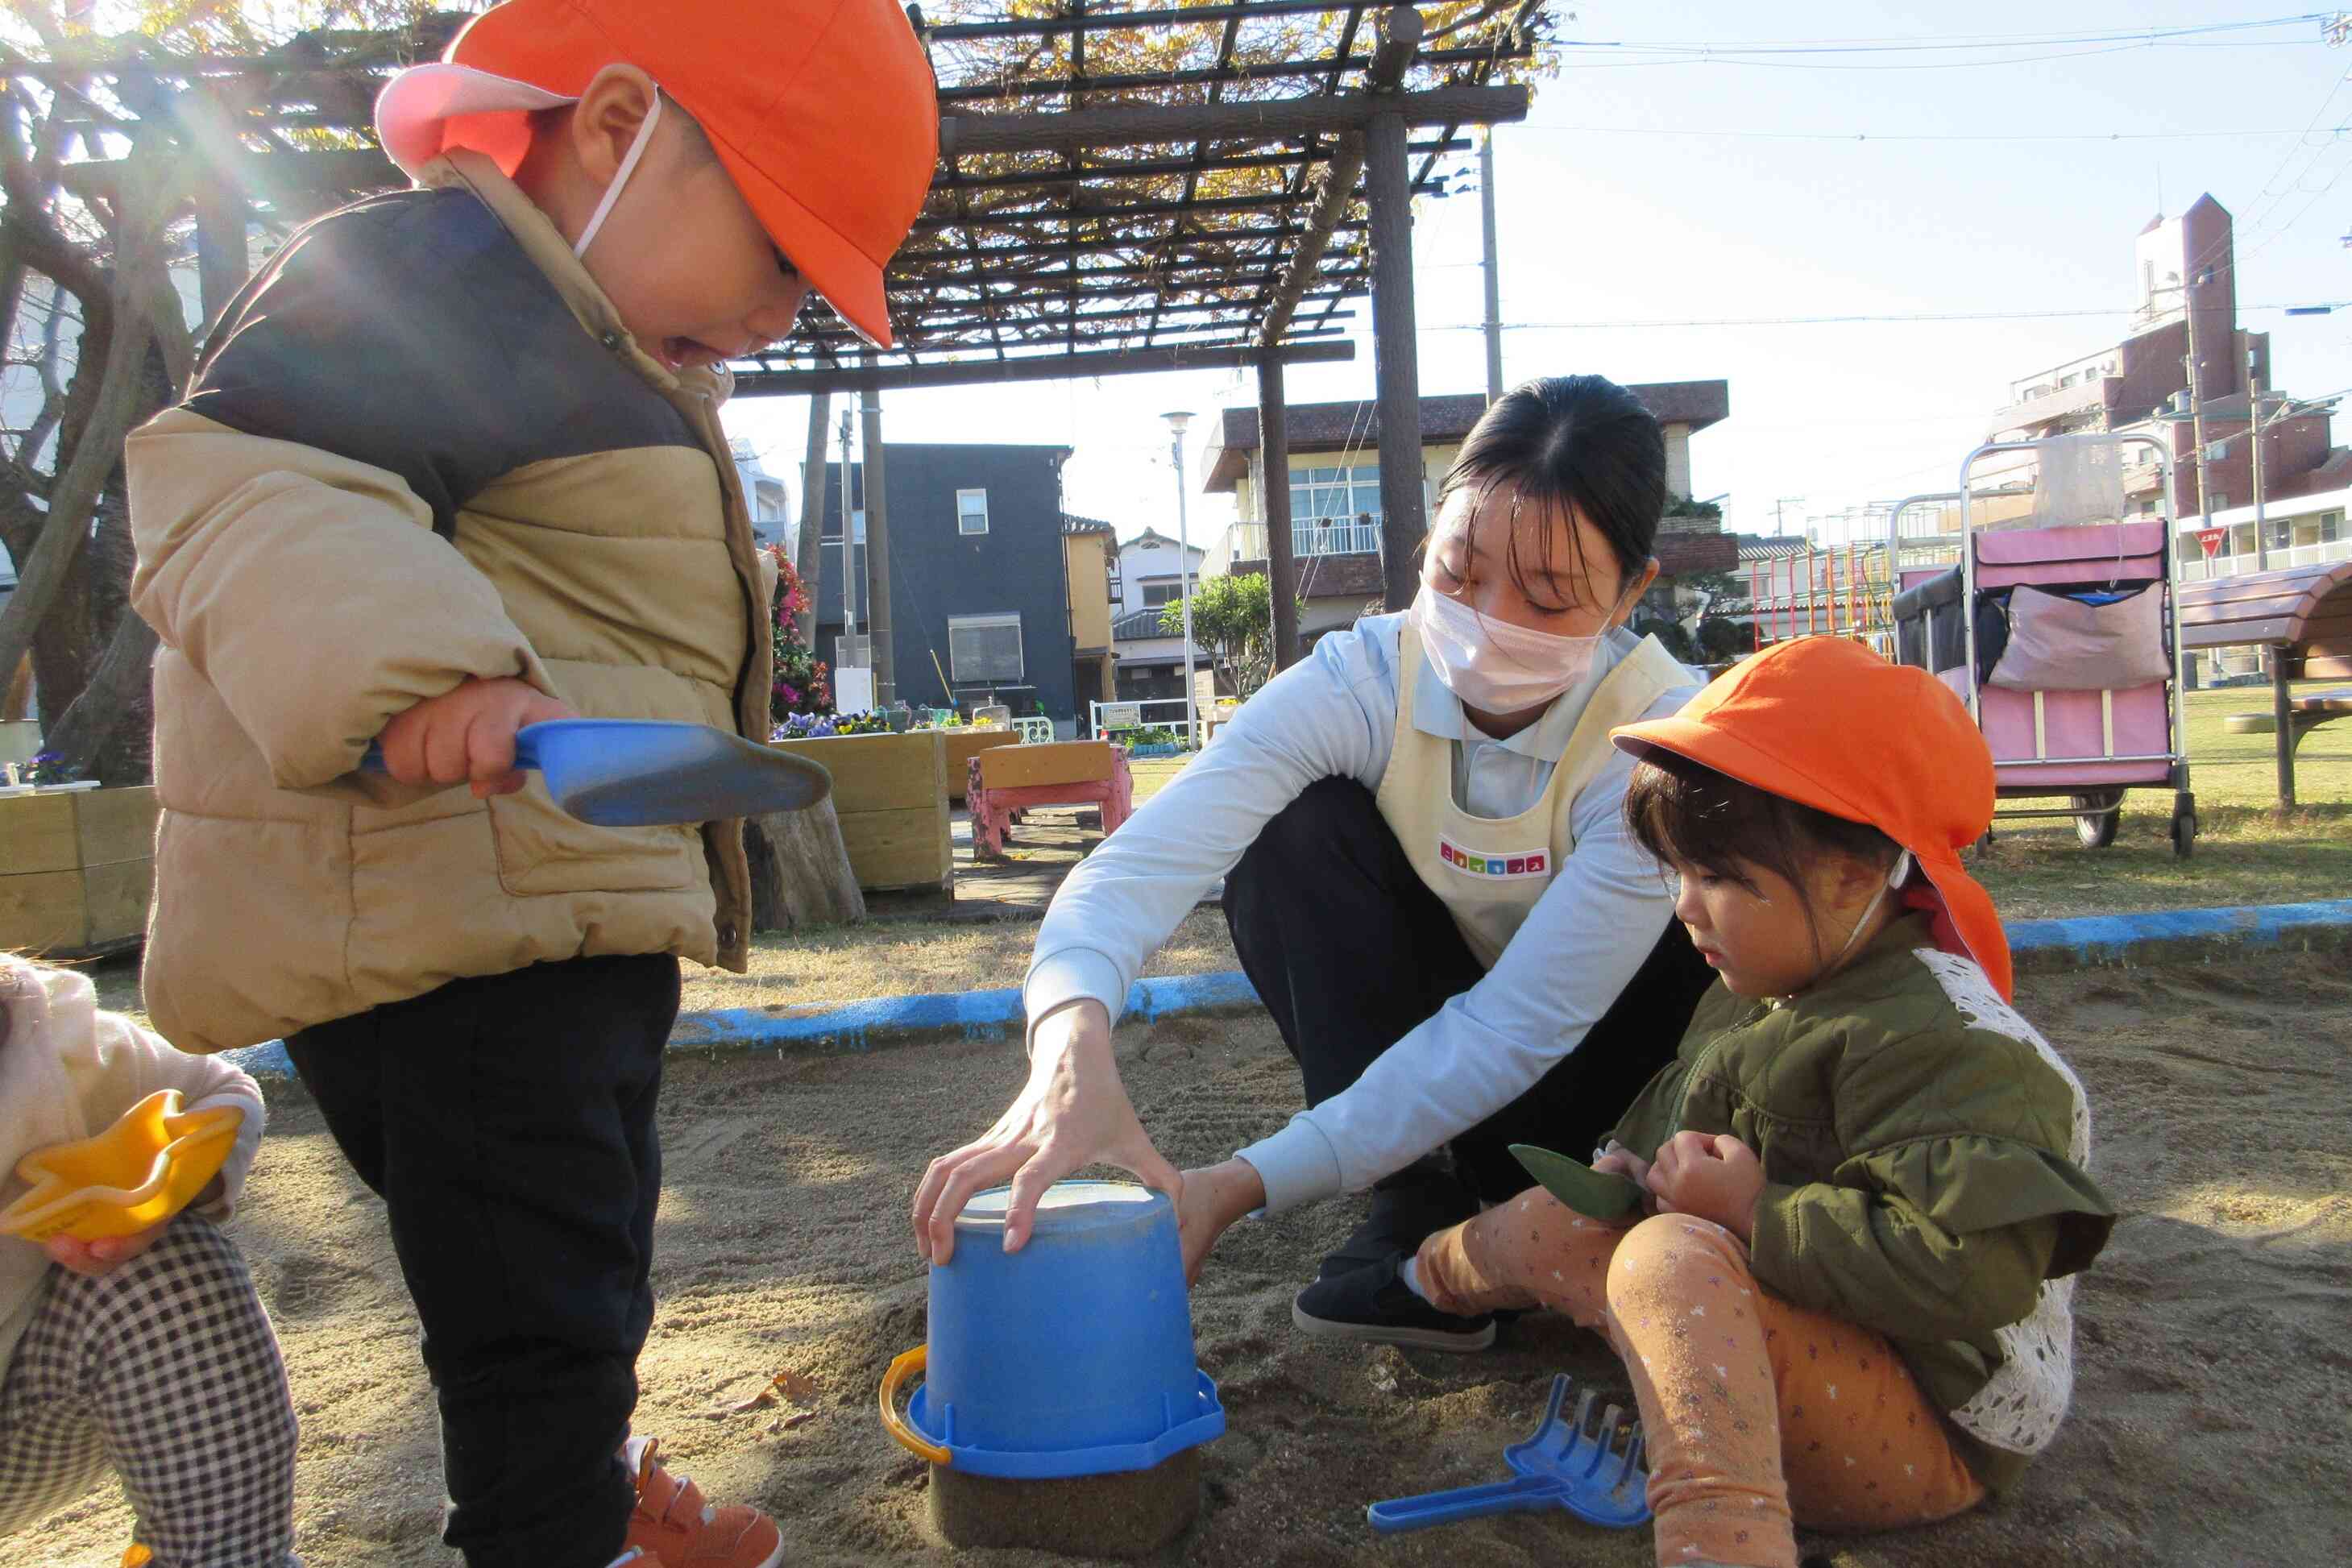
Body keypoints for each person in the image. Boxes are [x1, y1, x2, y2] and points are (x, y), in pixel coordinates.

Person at [124, 3, 936, 1565]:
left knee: (561, 1261)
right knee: (539, 1292)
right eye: (776, 249)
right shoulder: (440, 275)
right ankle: (554, 1529)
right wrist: (429, 668)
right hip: (453, 917)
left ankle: (587, 1477)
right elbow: (239, 486)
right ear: (619, 123)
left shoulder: (583, 330)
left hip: (542, 908)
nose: (785, 311)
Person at [915, 375, 1719, 1349]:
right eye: (1461, 572)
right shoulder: (1367, 676)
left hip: (1597, 1072)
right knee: (1291, 832)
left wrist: (1241, 1183)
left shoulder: (1658, 735)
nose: (1490, 620)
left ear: (1633, 589)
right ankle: (1413, 1196)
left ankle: (1572, 1203)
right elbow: (1139, 866)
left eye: (1549, 597)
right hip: (1439, 1066)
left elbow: (1517, 1028)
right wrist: (1068, 1045)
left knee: (1696, 896)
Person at [1403, 637, 2116, 1568]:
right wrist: (1635, 1162)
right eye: (1679, 873)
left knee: (1670, 1256)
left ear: (1858, 872)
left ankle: (1720, 1536)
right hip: (1791, 1319)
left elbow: (1967, 1270)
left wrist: (1751, 1211)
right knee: (1566, 1220)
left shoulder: (1955, 1048)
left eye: (1723, 879)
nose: (1688, 907)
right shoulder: (1768, 975)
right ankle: (1422, 1282)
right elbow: (1691, 1095)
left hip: (1921, 1418)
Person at [0, 956, 292, 1566]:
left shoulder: (40, 1043)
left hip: (18, 1418)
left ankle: (227, 1555)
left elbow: (219, 1092)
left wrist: (161, 1194)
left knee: (169, 1271)